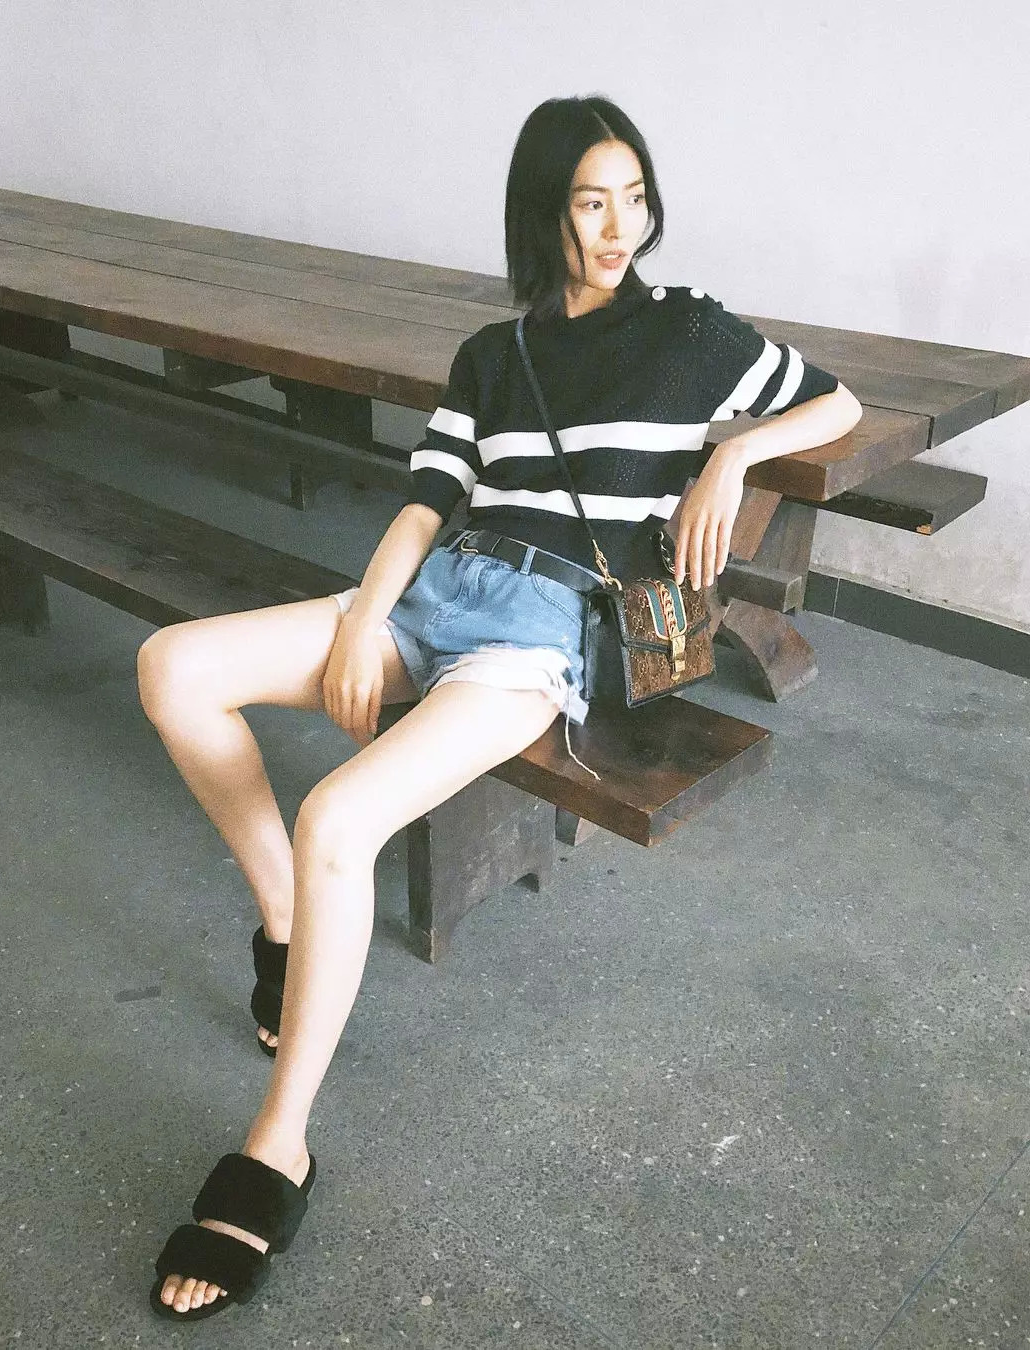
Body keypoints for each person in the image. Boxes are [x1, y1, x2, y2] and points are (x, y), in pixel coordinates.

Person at [138, 94, 863, 1319]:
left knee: (336, 818)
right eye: (590, 202)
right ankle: (284, 924)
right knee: (172, 666)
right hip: (440, 588)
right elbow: (429, 499)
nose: (618, 227)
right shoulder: (495, 352)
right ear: (545, 212)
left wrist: (732, 455)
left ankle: (279, 1143)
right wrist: (364, 617)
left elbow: (837, 402)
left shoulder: (688, 332)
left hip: (535, 639)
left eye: (634, 198)